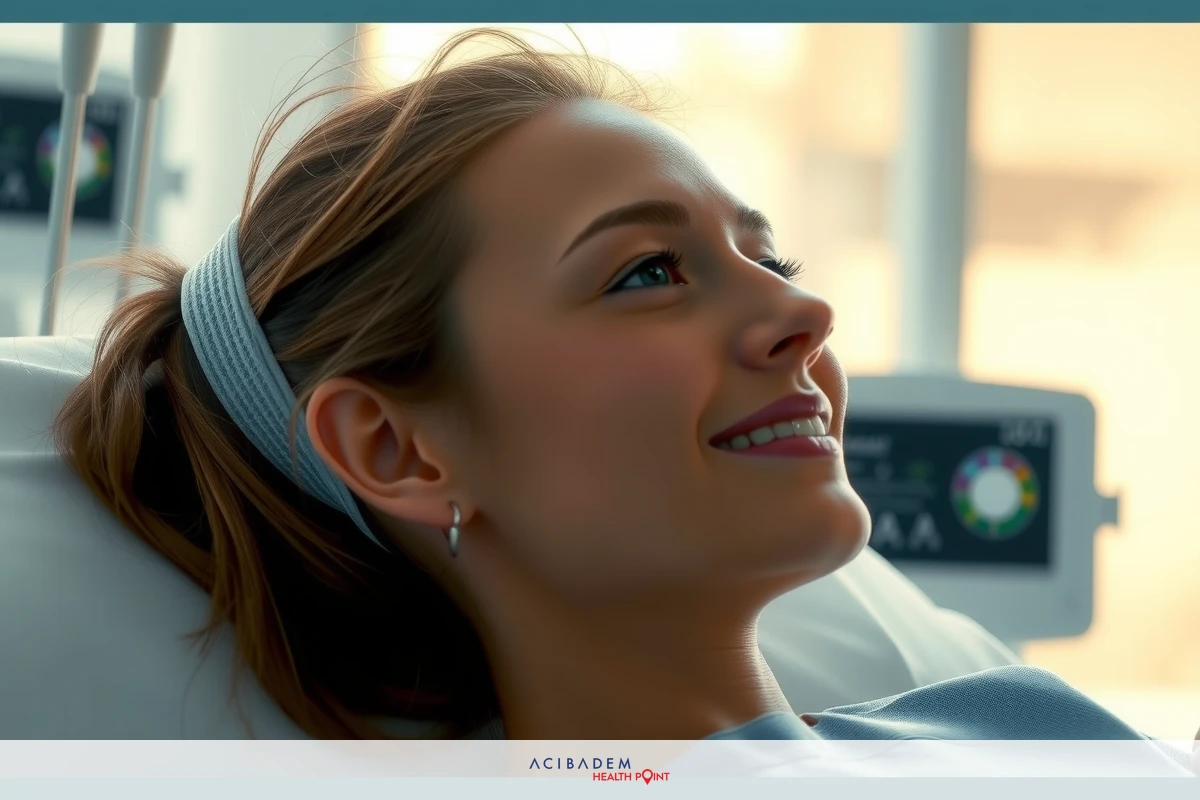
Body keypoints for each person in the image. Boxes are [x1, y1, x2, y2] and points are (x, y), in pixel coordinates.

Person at [48, 27, 1194, 767]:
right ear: (396, 446)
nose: (806, 318)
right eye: (648, 272)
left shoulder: (1012, 726)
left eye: (770, 259)